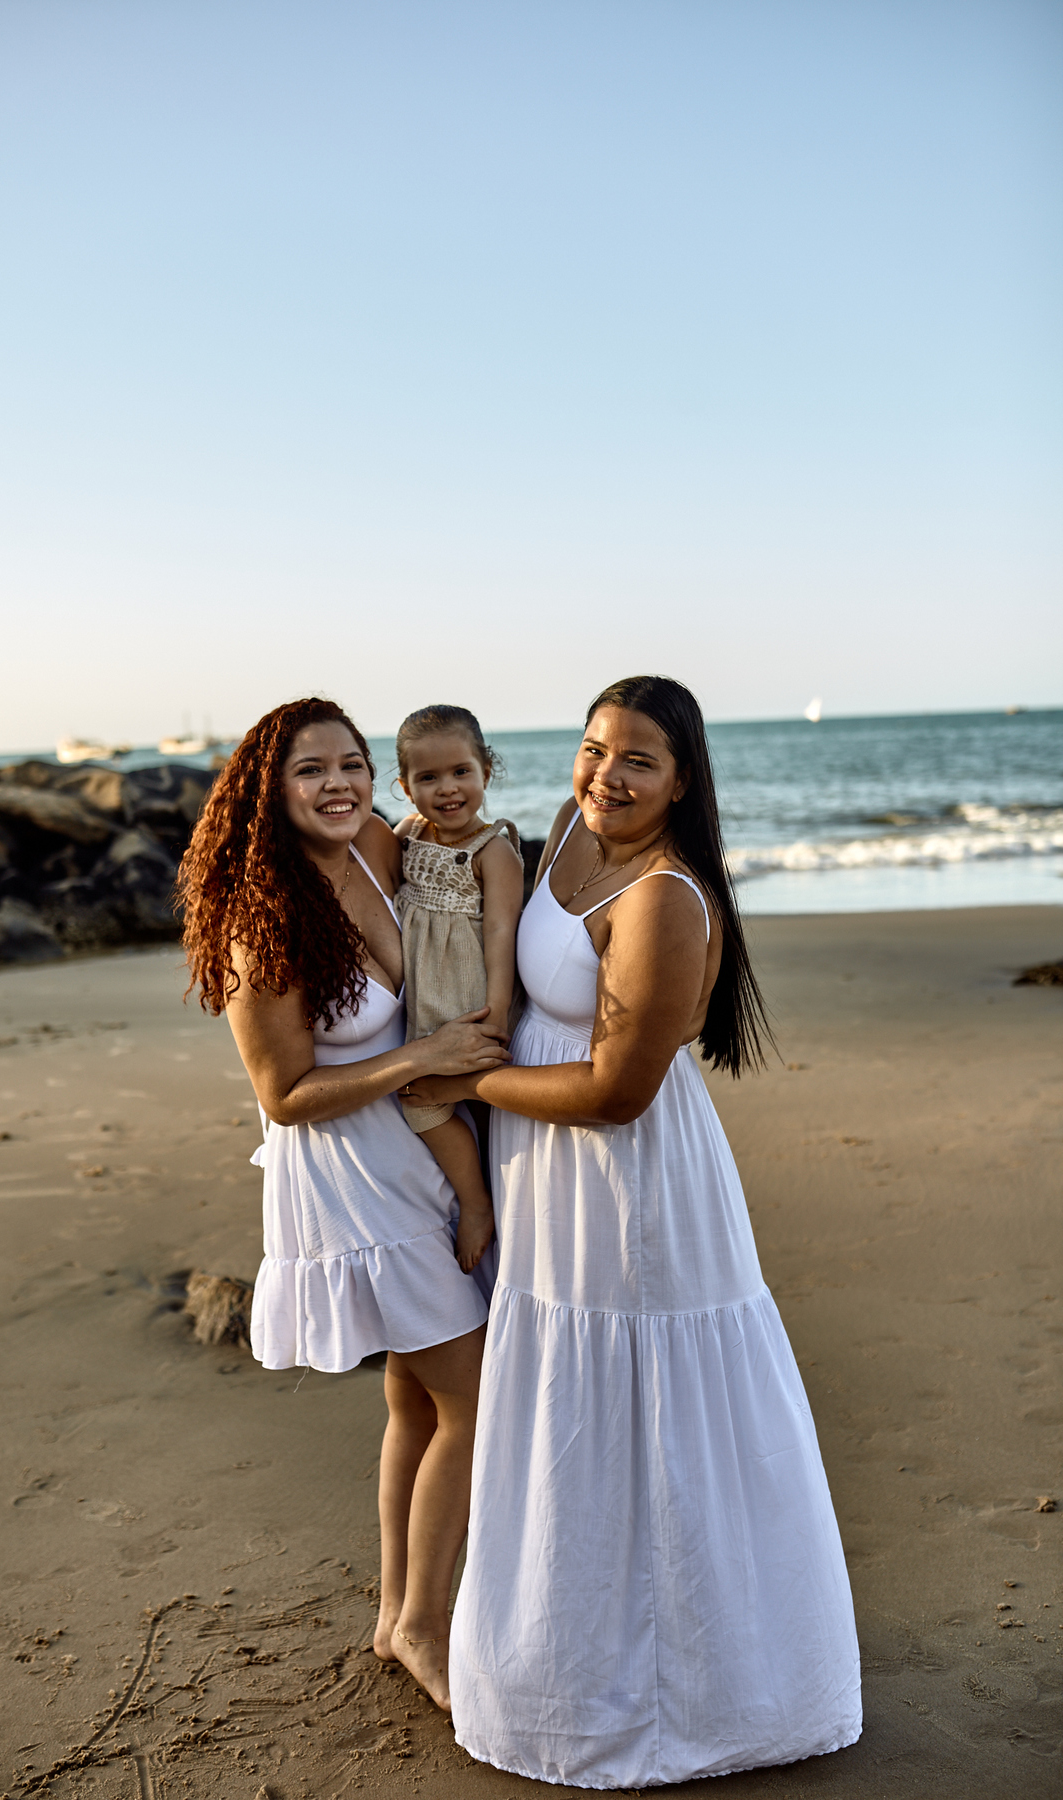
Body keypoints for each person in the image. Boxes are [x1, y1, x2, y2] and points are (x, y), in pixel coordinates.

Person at [405, 675, 862, 1786]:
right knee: (566, 1409)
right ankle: (565, 1665)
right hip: (543, 1172)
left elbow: (616, 1092)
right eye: (594, 748)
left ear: (684, 781)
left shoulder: (664, 896)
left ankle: (689, 1699)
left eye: (637, 761)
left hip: (627, 1191)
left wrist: (478, 1079)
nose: (606, 775)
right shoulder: (566, 831)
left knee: (642, 1413)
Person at [176, 697, 509, 1710]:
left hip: (421, 1152)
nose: (338, 784)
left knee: (416, 1392)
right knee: (475, 1399)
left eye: (354, 764)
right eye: (311, 770)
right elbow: (284, 1096)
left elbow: (466, 859)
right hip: (348, 1174)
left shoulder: (378, 844)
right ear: (267, 796)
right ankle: (425, 1624)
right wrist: (427, 1055)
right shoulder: (258, 920)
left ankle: (395, 1617)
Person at [390, 704, 524, 1274]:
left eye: (460, 772)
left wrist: (495, 1012)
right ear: (404, 786)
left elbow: (501, 933)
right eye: (428, 778)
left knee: (468, 1105)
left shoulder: (494, 850)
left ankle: (483, 1205)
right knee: (422, 1100)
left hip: (467, 996)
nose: (448, 789)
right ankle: (475, 1200)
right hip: (423, 1001)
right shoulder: (406, 834)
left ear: (485, 772)